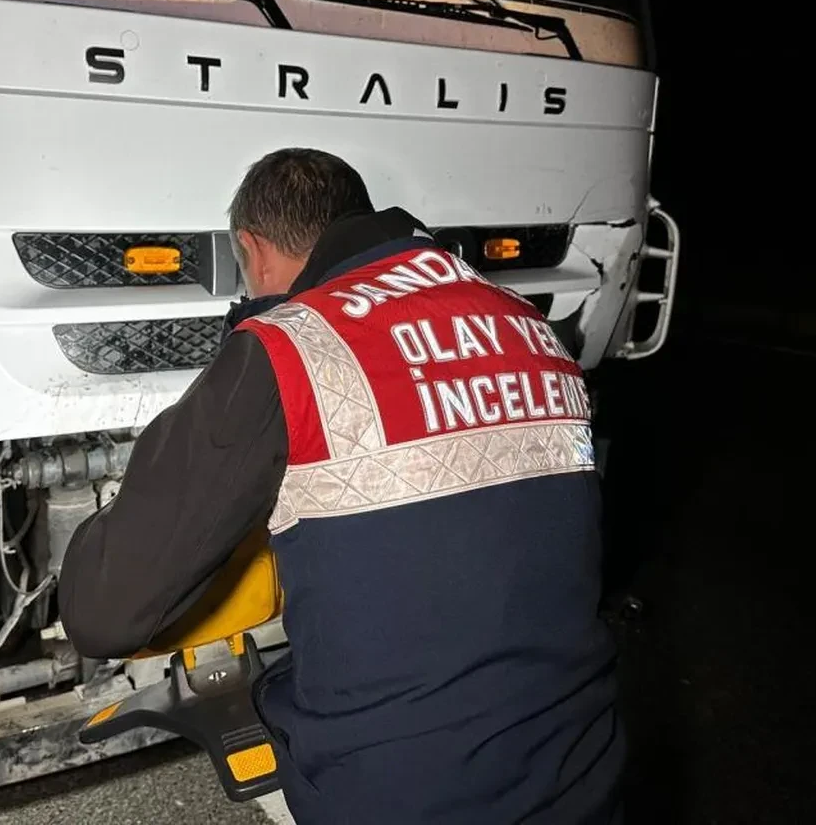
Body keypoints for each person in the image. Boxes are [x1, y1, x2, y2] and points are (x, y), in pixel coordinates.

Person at [59, 148, 625, 824]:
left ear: (252, 248)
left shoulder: (288, 347)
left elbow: (103, 611)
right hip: (582, 764)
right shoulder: (531, 325)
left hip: (402, 794)